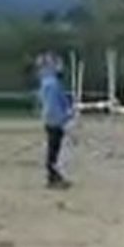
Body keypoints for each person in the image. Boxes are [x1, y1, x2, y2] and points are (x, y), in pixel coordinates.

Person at [36, 52, 74, 188]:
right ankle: (53, 177)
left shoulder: (49, 82)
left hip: (54, 120)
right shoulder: (52, 84)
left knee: (54, 149)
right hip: (55, 121)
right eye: (58, 64)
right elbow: (53, 105)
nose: (61, 67)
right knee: (53, 150)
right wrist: (64, 117)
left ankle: (54, 175)